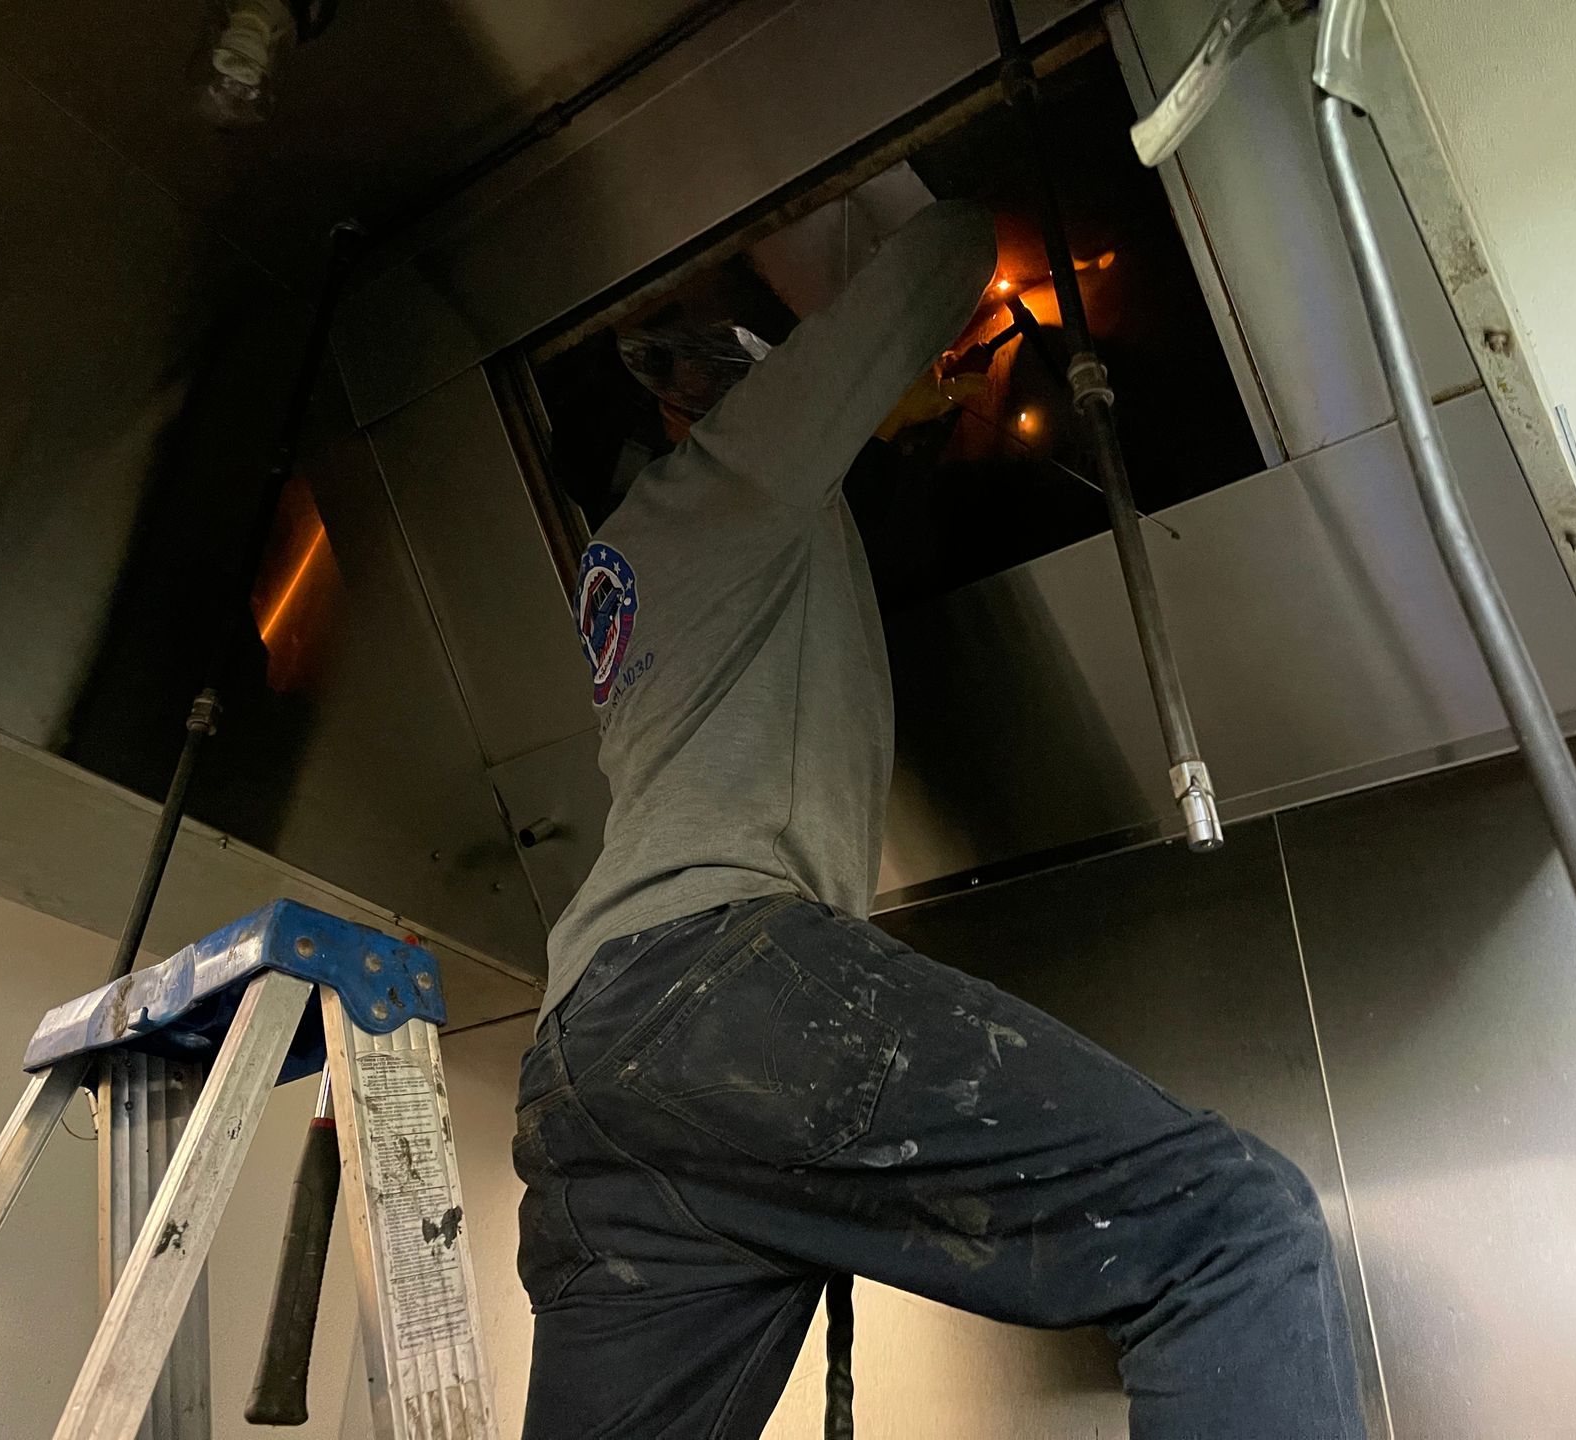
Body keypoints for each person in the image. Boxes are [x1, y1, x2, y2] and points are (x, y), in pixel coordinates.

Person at [513, 199, 1365, 1439]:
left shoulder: (628, 574)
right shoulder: (737, 471)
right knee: (1230, 1230)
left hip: (582, 1072)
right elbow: (946, 252)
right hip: (713, 991)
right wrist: (920, 218)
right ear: (675, 394)